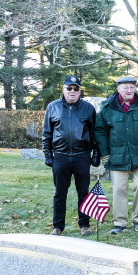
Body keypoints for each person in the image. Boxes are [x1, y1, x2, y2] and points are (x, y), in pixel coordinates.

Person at [95, 75, 138, 235]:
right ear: (118, 89)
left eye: (132, 87)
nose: (129, 90)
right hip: (118, 156)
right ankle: (120, 223)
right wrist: (105, 154)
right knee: (119, 189)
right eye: (125, 87)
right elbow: (100, 131)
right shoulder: (107, 108)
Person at [42, 75, 99, 236]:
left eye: (76, 89)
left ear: (80, 91)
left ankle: (84, 225)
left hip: (82, 156)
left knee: (83, 192)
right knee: (60, 193)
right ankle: (58, 226)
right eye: (69, 88)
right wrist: (48, 155)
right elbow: (47, 133)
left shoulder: (88, 108)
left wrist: (96, 154)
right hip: (61, 156)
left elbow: (95, 133)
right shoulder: (53, 107)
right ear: (63, 89)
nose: (72, 91)